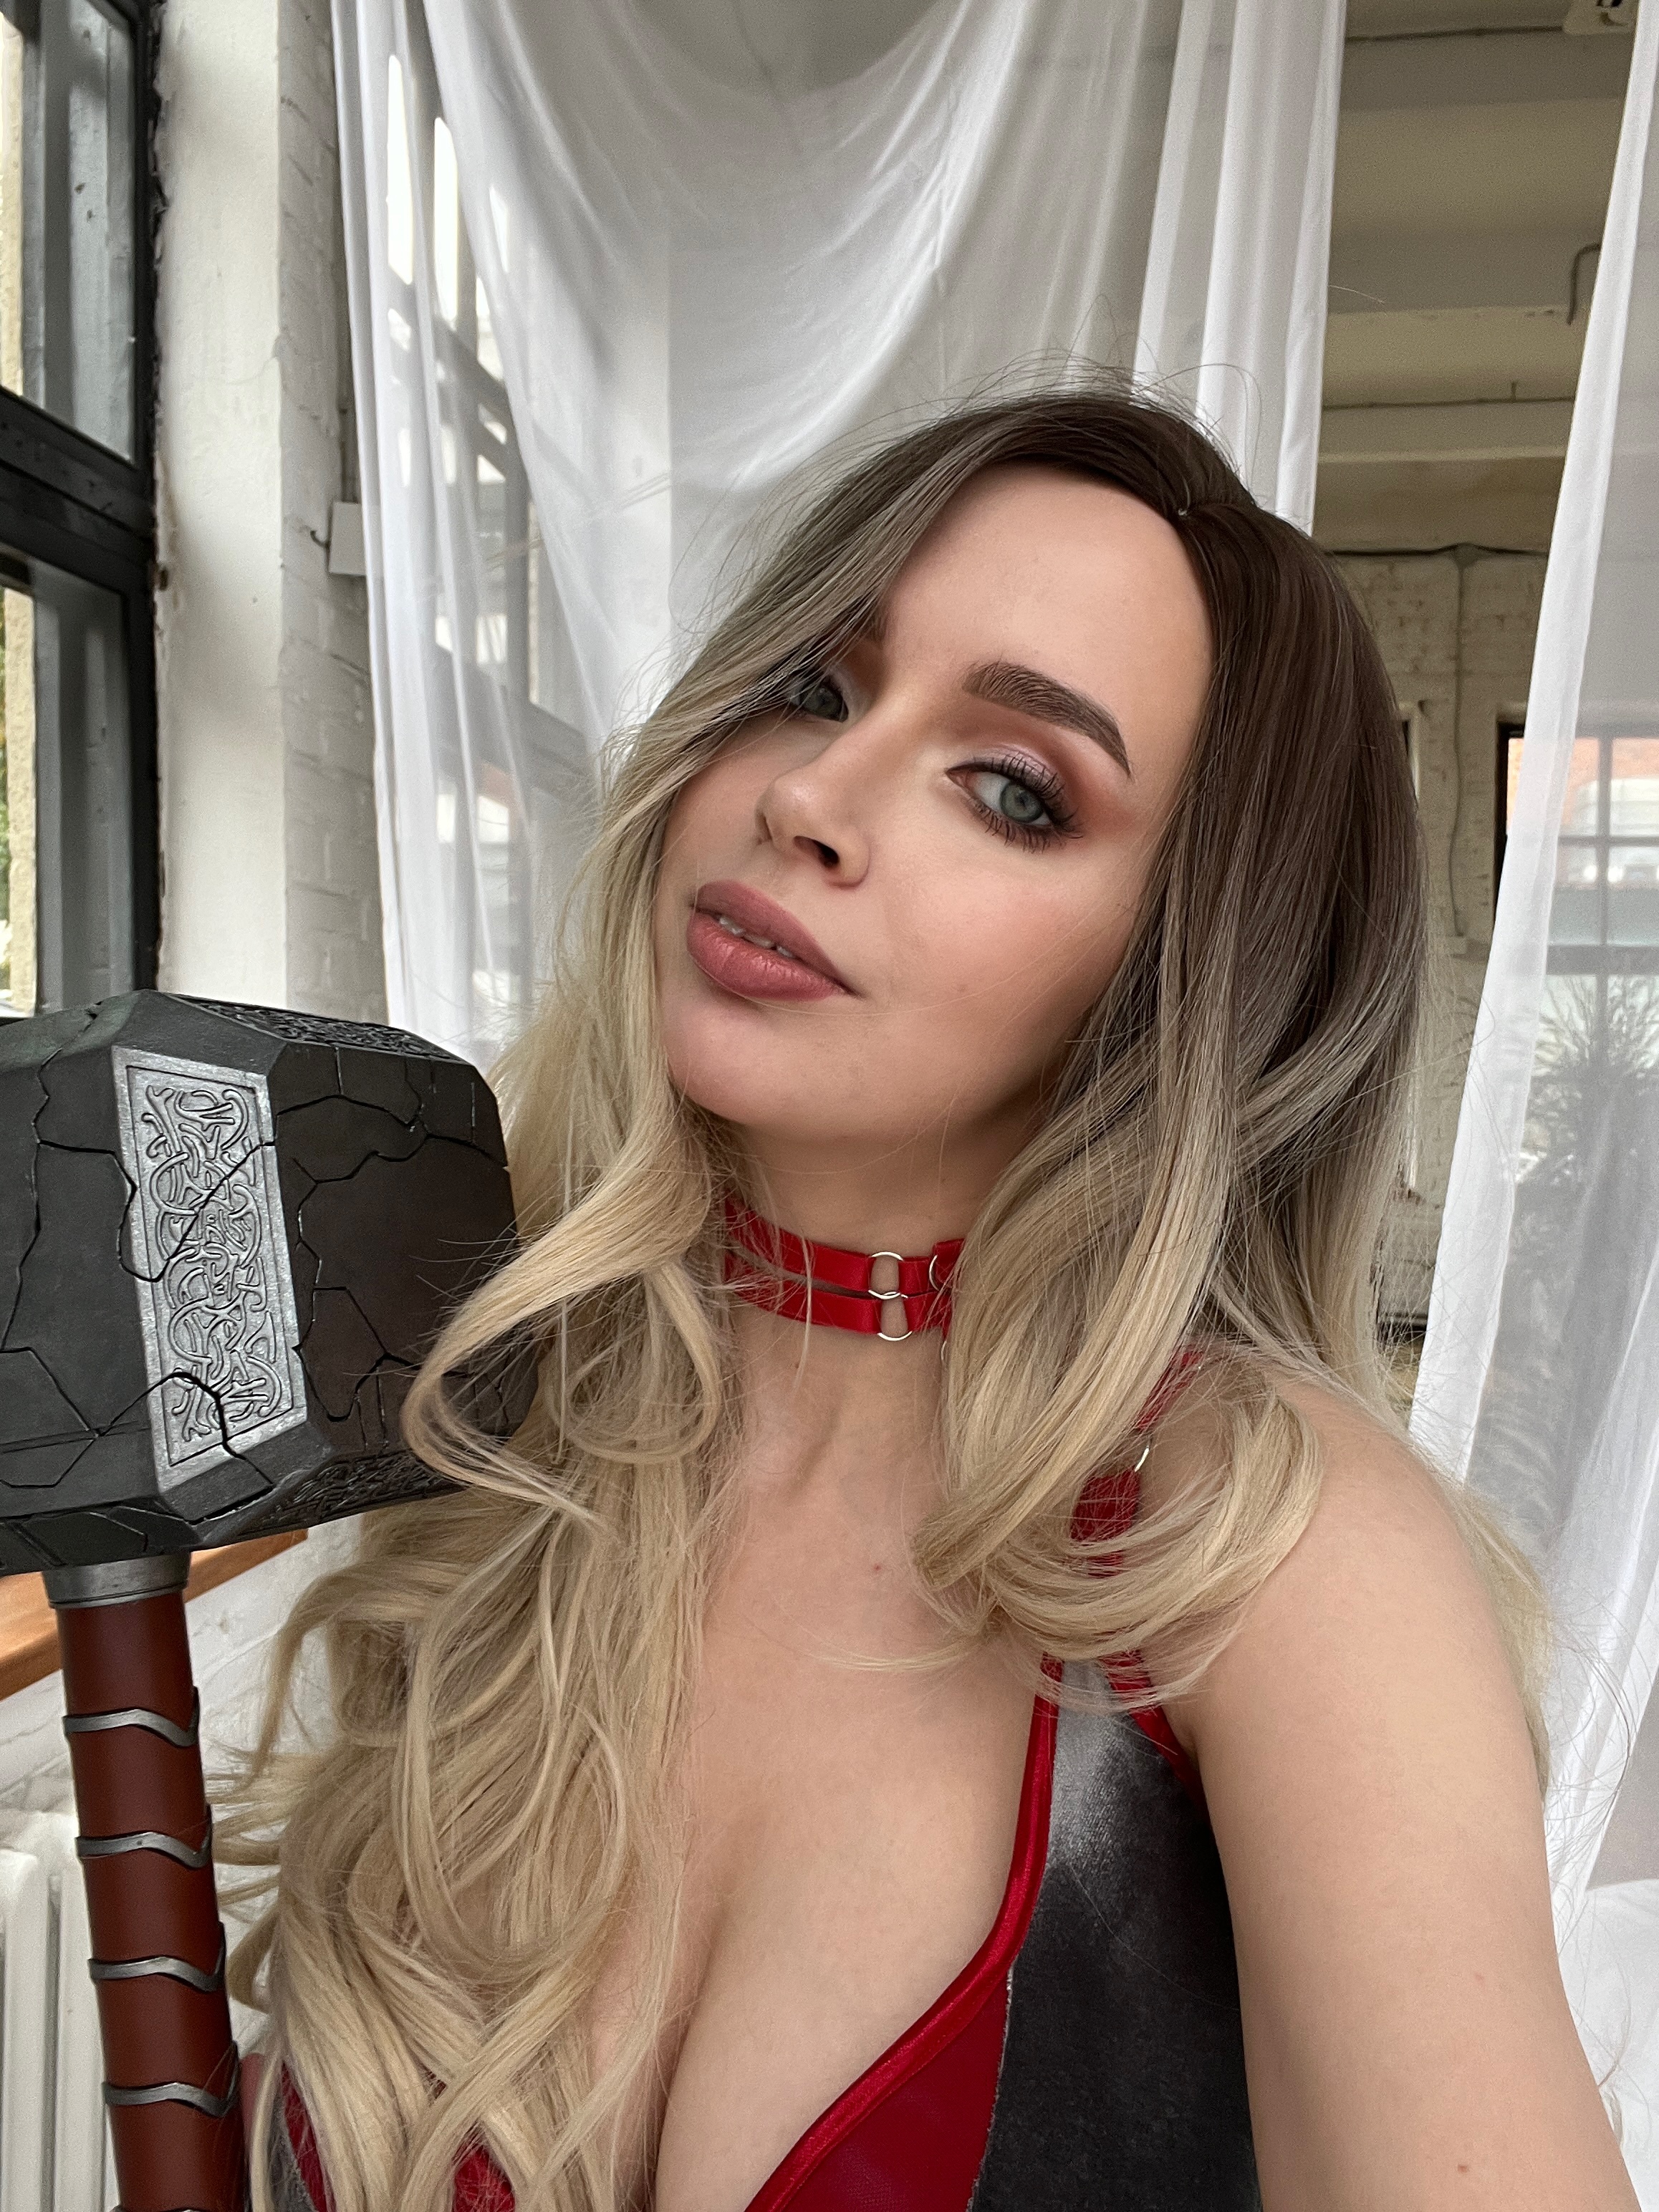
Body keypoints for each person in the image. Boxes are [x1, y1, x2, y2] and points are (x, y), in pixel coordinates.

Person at [225, 385, 1638, 2212]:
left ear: (1183, 970)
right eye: (812, 686)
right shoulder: (511, 1432)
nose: (805, 797)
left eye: (1013, 789)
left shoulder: (1273, 1555)